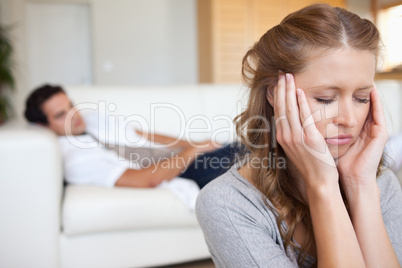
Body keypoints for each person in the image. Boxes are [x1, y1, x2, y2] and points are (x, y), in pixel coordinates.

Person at [196, 4, 402, 268]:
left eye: (361, 98)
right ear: (275, 94)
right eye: (325, 99)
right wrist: (323, 186)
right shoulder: (228, 203)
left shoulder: (379, 184)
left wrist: (360, 186)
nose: (349, 120)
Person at [24, 85, 244, 189]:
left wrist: (194, 144)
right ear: (44, 126)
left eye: (71, 105)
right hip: (180, 170)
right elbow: (144, 179)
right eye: (61, 114)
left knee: (253, 151)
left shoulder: (93, 118)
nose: (74, 115)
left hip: (187, 156)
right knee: (256, 157)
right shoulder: (75, 159)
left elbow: (144, 135)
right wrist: (193, 151)